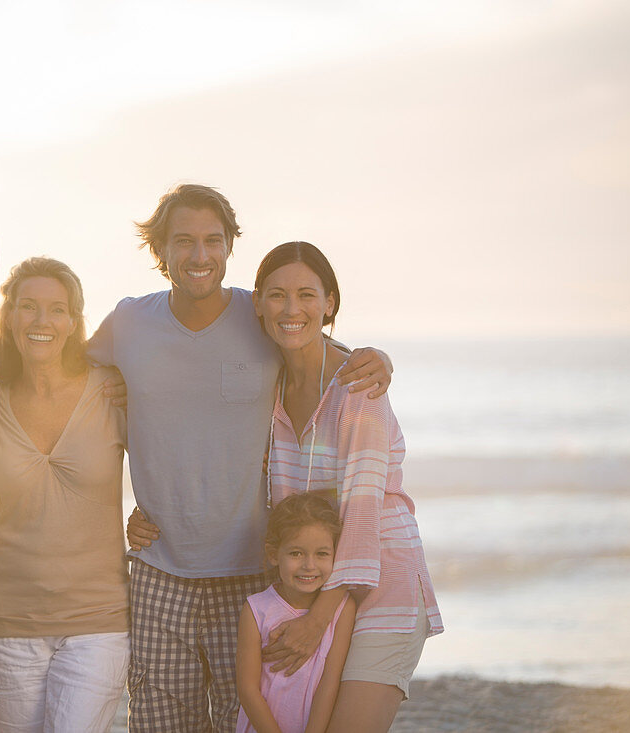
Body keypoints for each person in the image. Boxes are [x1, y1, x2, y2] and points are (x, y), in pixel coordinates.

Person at [94, 183, 394, 732]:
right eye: (183, 241)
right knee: (161, 724)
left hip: (253, 576)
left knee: (252, 720)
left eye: (213, 240)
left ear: (231, 246)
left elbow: (313, 346)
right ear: (159, 250)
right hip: (159, 570)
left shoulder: (256, 317)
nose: (199, 255)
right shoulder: (128, 323)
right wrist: (110, 514)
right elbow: (67, 383)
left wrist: (375, 357)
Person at [253, 241, 443, 733]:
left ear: (330, 303)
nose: (292, 309)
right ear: (257, 303)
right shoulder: (265, 386)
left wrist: (317, 622)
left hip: (382, 591)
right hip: (312, 588)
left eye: (306, 295)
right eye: (276, 295)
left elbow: (359, 522)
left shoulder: (358, 390)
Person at [0, 257, 129, 732]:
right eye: (28, 307)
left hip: (98, 619)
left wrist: (151, 518)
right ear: (9, 316)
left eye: (56, 309)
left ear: (73, 321)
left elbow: (168, 455)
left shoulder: (110, 389)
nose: (41, 321)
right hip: (8, 618)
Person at [236, 493, 356, 733]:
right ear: (273, 555)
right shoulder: (256, 609)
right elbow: (247, 688)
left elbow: (330, 681)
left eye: (321, 554)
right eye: (296, 553)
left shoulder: (343, 607)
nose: (309, 565)